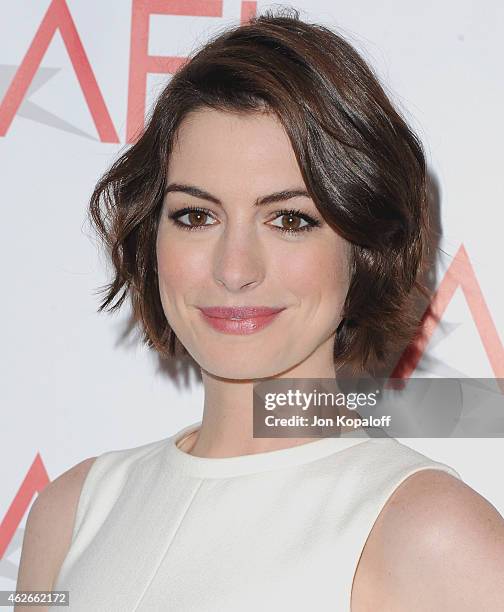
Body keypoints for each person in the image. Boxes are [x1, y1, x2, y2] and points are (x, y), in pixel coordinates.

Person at [16, 8, 504, 611]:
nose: (234, 268)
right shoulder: (66, 513)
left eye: (290, 220)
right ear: (152, 236)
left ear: (363, 250)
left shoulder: (431, 535)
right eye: (196, 216)